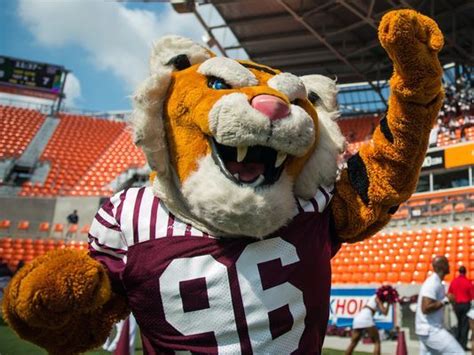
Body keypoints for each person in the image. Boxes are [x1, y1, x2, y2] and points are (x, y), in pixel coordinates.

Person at [415, 256, 464, 354]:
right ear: (441, 266)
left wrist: (445, 298)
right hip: (431, 330)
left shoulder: (438, 282)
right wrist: (446, 300)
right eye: (446, 263)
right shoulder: (432, 283)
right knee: (458, 353)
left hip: (427, 330)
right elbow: (425, 308)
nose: (449, 266)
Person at [345, 285, 398, 355]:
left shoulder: (373, 297)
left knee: (353, 342)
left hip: (358, 317)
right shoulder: (377, 298)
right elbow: (385, 312)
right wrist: (388, 303)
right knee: (377, 341)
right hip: (366, 318)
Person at [448, 265, 473, 350]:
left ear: (459, 272)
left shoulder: (454, 281)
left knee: (458, 324)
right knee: (465, 326)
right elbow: (472, 296)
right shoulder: (468, 282)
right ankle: (462, 345)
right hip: (465, 305)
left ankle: (457, 344)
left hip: (456, 305)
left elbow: (450, 294)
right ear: (465, 272)